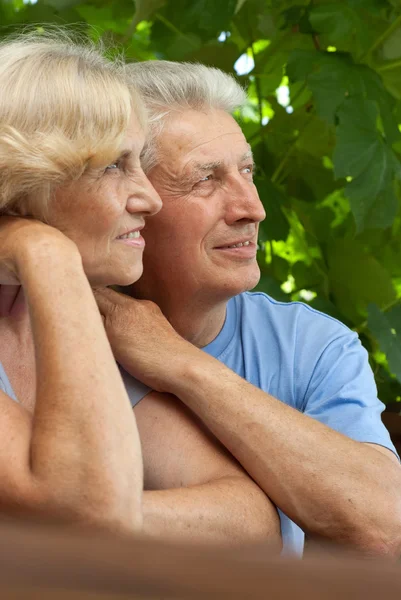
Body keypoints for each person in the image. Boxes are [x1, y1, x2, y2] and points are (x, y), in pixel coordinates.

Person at [95, 60, 401, 557]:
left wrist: (179, 362)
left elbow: (384, 528)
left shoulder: (314, 346)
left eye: (247, 172)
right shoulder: (40, 332)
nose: (252, 207)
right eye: (206, 179)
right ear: (128, 199)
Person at [0, 35, 280, 546]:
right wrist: (47, 253)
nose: (148, 198)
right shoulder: (57, 284)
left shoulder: (71, 315)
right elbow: (92, 507)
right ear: (26, 176)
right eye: (115, 165)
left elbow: (251, 524)